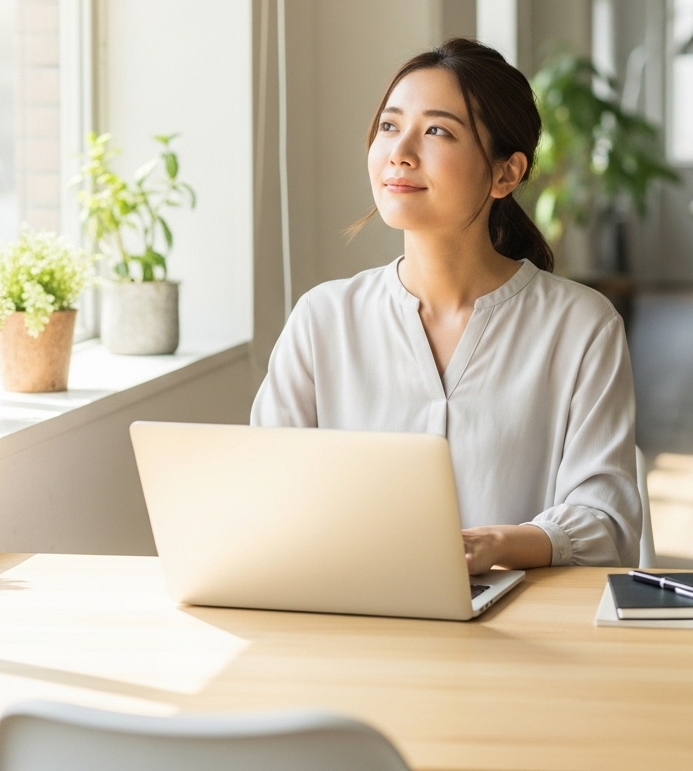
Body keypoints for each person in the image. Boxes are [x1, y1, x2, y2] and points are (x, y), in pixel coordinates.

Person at [251, 38, 641, 570]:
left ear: (505, 174)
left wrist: (498, 545)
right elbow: (266, 492)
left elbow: (607, 524)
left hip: (524, 614)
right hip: (354, 605)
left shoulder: (582, 326)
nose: (400, 152)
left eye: (437, 131)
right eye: (389, 126)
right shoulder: (322, 319)